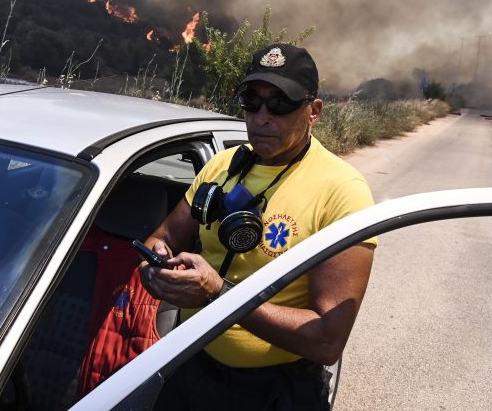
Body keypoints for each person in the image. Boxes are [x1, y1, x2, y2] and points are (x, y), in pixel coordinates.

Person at [140, 44, 377, 411]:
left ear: (313, 111)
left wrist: (217, 295)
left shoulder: (342, 191)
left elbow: (327, 341)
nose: (262, 116)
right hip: (191, 369)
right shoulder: (221, 166)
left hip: (275, 392)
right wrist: (154, 269)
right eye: (252, 100)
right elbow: (163, 238)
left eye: (280, 103)